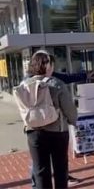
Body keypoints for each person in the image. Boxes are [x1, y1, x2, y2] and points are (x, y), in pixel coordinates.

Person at [16, 51, 78, 189]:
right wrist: (73, 121)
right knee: (60, 168)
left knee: (40, 169)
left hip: (34, 132)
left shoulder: (24, 84)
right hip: (57, 132)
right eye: (50, 64)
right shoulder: (57, 84)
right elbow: (69, 109)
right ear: (47, 66)